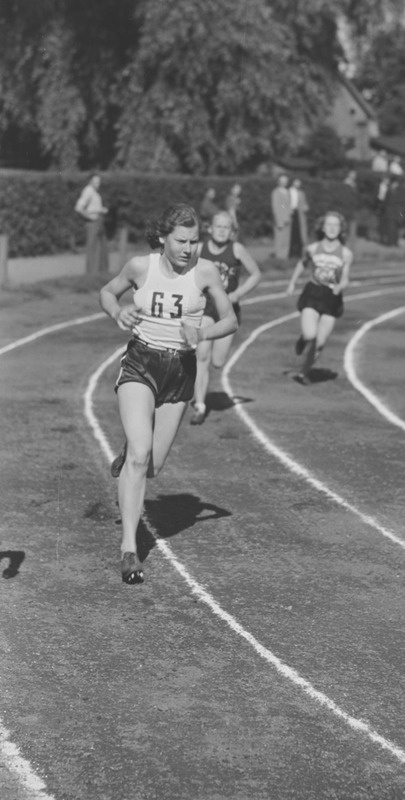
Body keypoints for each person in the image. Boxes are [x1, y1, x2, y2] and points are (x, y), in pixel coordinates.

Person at [99, 203, 238, 584]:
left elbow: (231, 319)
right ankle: (130, 548)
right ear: (163, 237)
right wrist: (118, 313)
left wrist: (203, 333)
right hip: (141, 363)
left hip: (181, 371)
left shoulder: (205, 271)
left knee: (153, 466)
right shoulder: (140, 267)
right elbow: (108, 293)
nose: (188, 249)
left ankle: (130, 452)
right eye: (180, 241)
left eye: (194, 242)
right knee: (142, 456)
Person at [190, 211, 261, 425]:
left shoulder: (237, 249)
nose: (221, 230)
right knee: (201, 354)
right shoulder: (200, 248)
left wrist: (238, 294)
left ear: (232, 231)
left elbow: (256, 274)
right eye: (218, 226)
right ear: (209, 228)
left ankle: (201, 386)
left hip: (227, 309)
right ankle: (200, 405)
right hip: (205, 306)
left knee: (218, 362)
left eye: (226, 227)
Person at [286, 211, 352, 385]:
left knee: (320, 343)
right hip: (313, 292)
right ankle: (304, 338)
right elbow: (302, 263)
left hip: (332, 296)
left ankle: (304, 372)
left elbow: (345, 277)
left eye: (335, 225)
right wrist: (292, 282)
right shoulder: (313, 248)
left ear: (341, 229)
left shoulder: (345, 253)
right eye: (328, 224)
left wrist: (341, 286)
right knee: (310, 334)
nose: (331, 228)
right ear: (322, 227)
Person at [75, 173, 109, 274]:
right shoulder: (88, 191)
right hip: (93, 222)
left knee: (100, 247)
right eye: (95, 181)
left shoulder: (94, 192)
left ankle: (99, 272)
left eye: (99, 181)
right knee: (93, 247)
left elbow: (94, 207)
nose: (98, 184)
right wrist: (89, 217)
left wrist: (101, 210)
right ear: (90, 181)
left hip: (99, 220)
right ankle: (91, 272)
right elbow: (78, 208)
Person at [271, 174, 292, 261]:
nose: (284, 182)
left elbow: (286, 206)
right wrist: (279, 220)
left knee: (286, 239)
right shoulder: (276, 192)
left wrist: (289, 214)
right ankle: (279, 257)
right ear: (279, 182)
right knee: (279, 238)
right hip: (280, 219)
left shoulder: (287, 191)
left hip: (288, 219)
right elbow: (275, 206)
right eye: (282, 181)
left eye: (285, 180)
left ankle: (285, 256)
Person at [288, 178, 309, 258]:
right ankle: (290, 252)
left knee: (299, 234)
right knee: (291, 234)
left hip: (299, 214)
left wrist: (305, 207)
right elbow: (282, 204)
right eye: (296, 183)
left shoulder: (301, 193)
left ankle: (299, 252)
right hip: (291, 213)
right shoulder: (288, 192)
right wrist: (287, 209)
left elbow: (304, 203)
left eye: (299, 183)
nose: (298, 185)